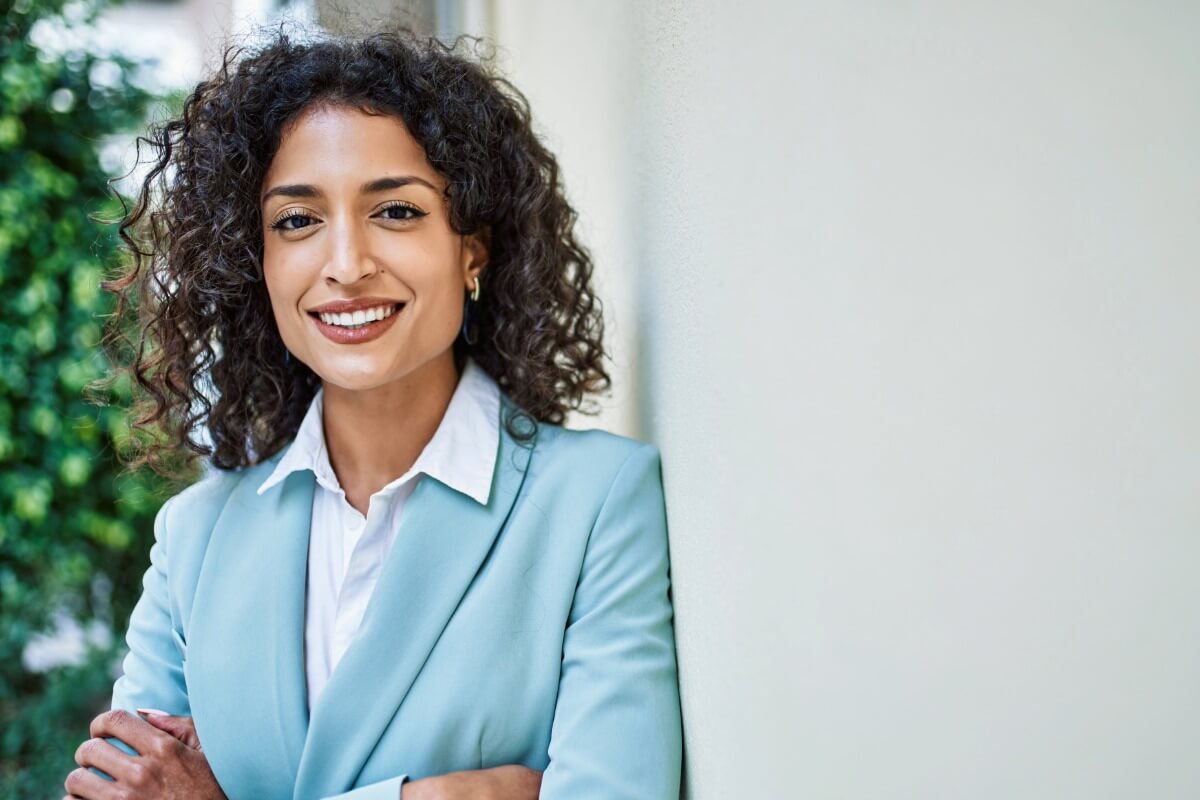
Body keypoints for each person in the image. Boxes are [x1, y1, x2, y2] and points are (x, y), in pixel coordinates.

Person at [62, 25, 682, 800]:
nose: (347, 265)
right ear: (256, 263)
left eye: (395, 211)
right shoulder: (196, 539)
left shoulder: (598, 503)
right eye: (297, 221)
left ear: (473, 247)